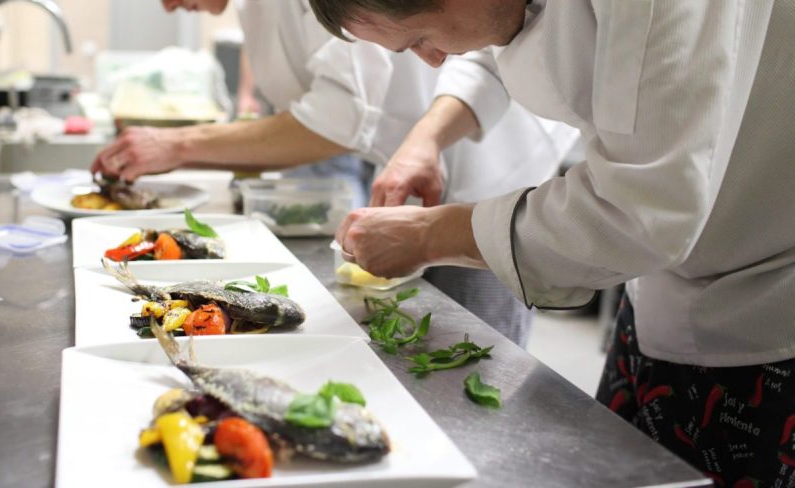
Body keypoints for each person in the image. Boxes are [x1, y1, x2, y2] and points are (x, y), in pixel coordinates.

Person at [311, 0, 795, 484]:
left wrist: (429, 234)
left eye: (419, 39)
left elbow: (636, 214)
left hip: (766, 298)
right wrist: (427, 138)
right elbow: (494, 41)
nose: (434, 60)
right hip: (664, 282)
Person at [91, 0, 579, 348]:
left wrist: (179, 145)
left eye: (419, 43)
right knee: (408, 345)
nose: (168, 7)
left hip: (492, 175)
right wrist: (420, 146)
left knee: (473, 357)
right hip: (413, 165)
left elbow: (341, 117)